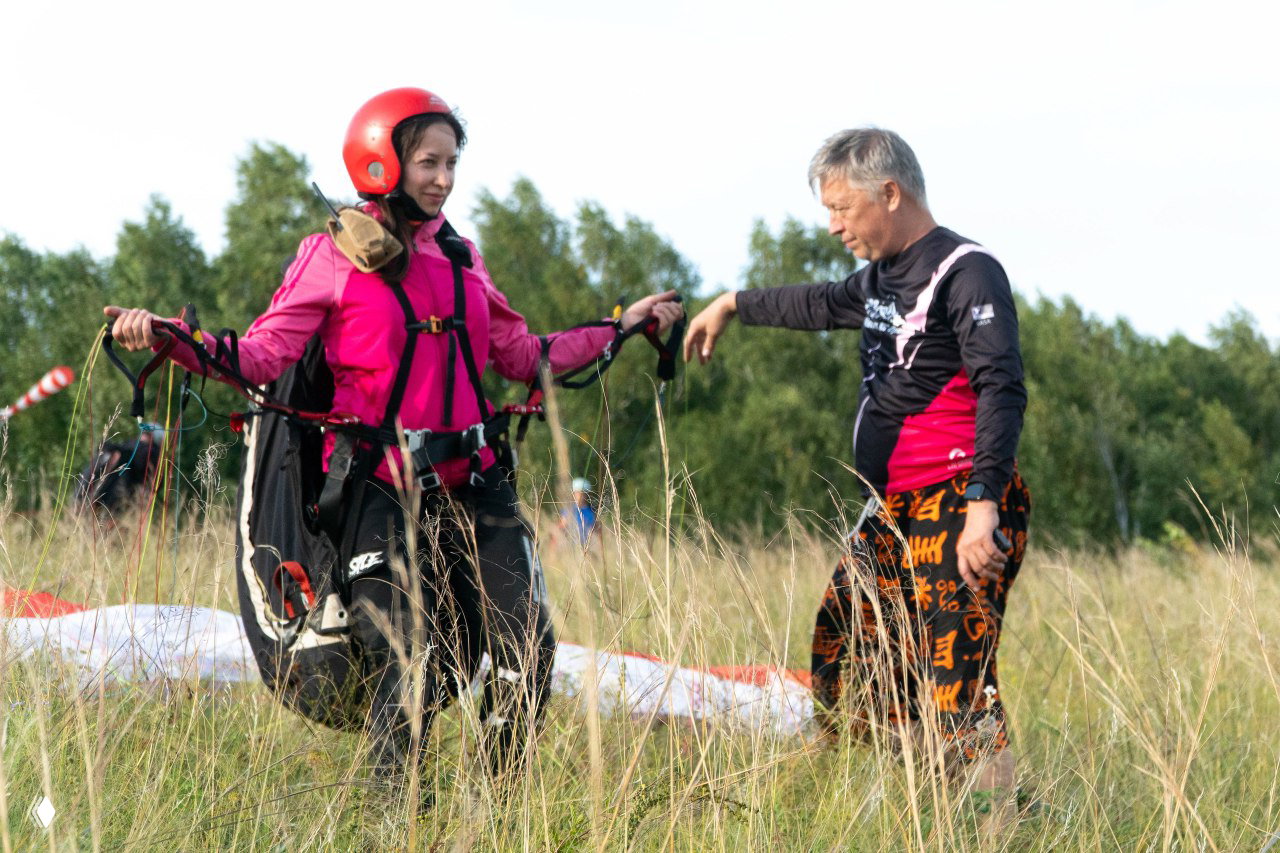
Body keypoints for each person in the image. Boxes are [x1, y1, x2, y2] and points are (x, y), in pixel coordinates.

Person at [104, 87, 683, 784]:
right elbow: (260, 356)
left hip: (475, 481)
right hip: (377, 485)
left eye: (452, 164)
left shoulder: (463, 258)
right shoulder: (328, 256)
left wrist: (622, 327)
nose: (444, 179)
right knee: (409, 657)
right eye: (428, 163)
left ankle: (495, 811)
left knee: (529, 651)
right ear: (382, 162)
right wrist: (168, 336)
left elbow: (523, 355)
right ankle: (396, 823)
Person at [684, 128, 1030, 805]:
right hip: (893, 508)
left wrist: (983, 503)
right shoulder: (878, 278)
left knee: (958, 679)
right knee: (848, 648)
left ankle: (997, 822)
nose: (833, 226)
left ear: (889, 193)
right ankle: (924, 809)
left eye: (842, 208)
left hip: (958, 500)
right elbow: (814, 302)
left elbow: (1002, 385)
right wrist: (731, 304)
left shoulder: (966, 270)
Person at [75, 426, 163, 516]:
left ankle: (83, 503)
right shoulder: (143, 449)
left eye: (146, 434)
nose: (143, 436)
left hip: (117, 493)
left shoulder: (140, 449)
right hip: (117, 495)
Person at [557, 477, 600, 547]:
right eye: (577, 493)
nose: (580, 496)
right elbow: (560, 528)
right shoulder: (568, 510)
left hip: (587, 546)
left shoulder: (591, 511)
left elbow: (597, 530)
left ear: (587, 494)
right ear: (573, 494)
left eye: (583, 493)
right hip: (571, 547)